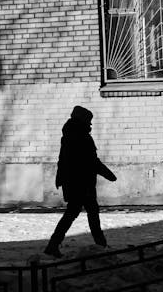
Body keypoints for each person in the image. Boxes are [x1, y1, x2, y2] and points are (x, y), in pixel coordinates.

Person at [44, 105, 117, 258]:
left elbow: (64, 160)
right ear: (82, 120)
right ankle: (101, 245)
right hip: (82, 183)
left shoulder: (70, 134)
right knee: (89, 213)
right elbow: (91, 161)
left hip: (74, 182)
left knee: (75, 213)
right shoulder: (80, 136)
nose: (90, 125)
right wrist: (108, 174)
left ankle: (54, 245)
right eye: (88, 121)